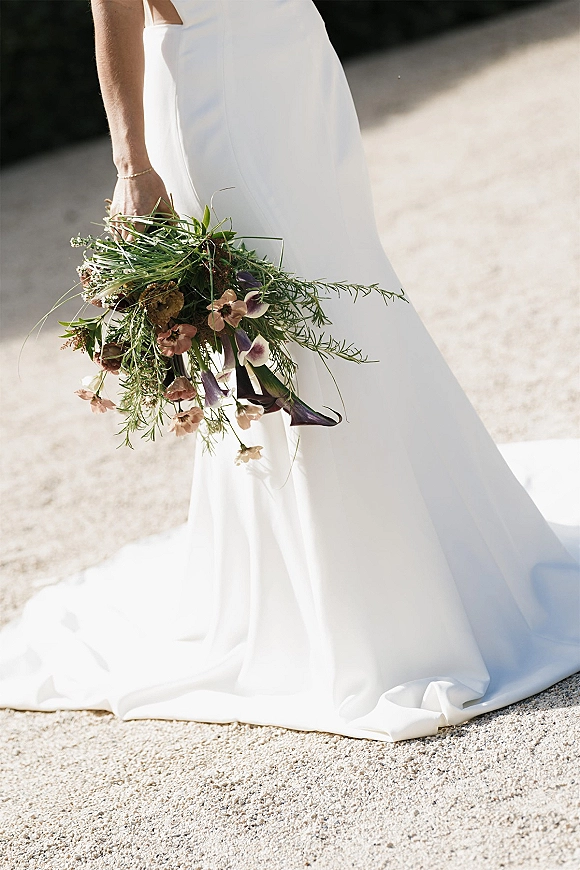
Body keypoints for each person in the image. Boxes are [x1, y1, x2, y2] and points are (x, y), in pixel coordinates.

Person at [0, 0, 577, 742]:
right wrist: (132, 165)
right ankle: (351, 600)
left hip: (295, 56)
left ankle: (434, 550)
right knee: (286, 320)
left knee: (354, 298)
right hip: (211, 79)